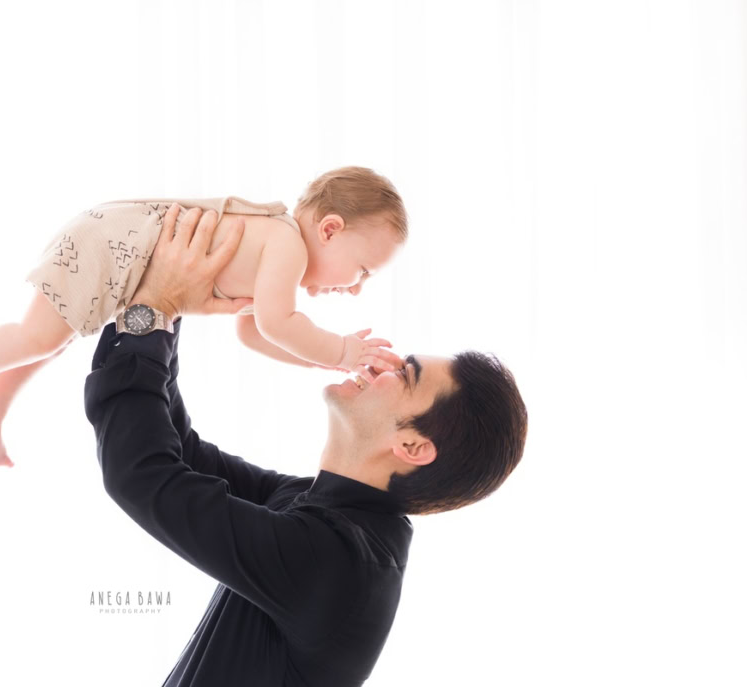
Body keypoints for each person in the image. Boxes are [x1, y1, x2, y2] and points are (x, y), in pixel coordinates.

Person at [84, 205, 528, 686]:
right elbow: (182, 454)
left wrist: (156, 307)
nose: (381, 363)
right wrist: (169, 309)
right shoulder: (325, 510)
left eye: (405, 375)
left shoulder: (336, 560)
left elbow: (142, 475)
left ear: (413, 446)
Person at [0, 166, 407, 466]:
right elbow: (277, 324)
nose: (356, 287)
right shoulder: (287, 245)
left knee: (54, 337)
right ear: (329, 229)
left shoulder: (276, 257)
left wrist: (318, 359)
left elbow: (254, 333)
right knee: (39, 336)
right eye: (363, 270)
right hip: (112, 244)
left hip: (117, 244)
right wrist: (341, 350)